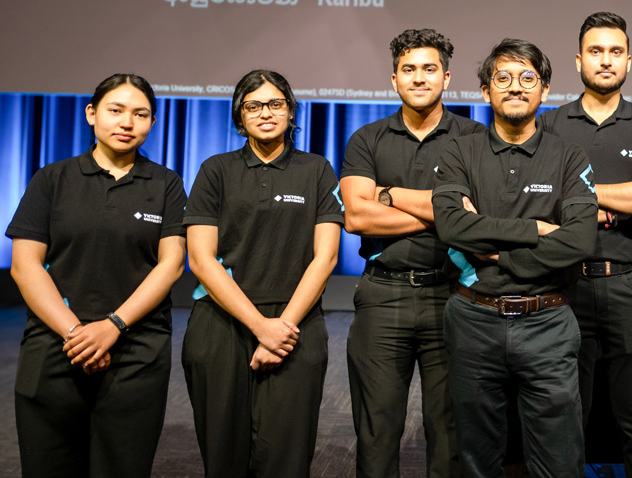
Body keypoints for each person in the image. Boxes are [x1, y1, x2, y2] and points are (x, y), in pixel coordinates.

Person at [6, 73, 187, 477]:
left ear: (153, 123)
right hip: (56, 345)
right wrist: (76, 332)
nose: (127, 122)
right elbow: (25, 264)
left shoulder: (167, 184)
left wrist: (113, 325)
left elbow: (171, 263)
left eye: (140, 114)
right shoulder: (52, 179)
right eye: (116, 110)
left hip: (136, 348)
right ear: (91, 114)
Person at [432, 38, 597, 478]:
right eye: (502, 78)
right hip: (473, 321)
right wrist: (535, 231)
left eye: (528, 78)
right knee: (476, 458)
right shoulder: (458, 151)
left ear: (544, 90)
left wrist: (494, 251)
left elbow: (580, 239)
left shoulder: (568, 157)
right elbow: (451, 226)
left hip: (548, 323)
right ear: (486, 91)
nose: (515, 87)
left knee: (560, 460)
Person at [181, 69, 344, 478]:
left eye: (275, 103)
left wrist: (281, 328)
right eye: (253, 106)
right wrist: (259, 326)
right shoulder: (215, 170)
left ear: (291, 111)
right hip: (221, 324)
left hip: (296, 326)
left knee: (286, 460)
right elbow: (201, 259)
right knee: (224, 457)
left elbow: (324, 259)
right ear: (240, 117)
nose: (265, 113)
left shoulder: (317, 169)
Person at [341, 29, 483, 478]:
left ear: (446, 77)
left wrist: (389, 195)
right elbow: (356, 219)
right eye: (409, 70)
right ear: (394, 79)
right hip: (383, 296)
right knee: (377, 428)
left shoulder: (473, 137)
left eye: (429, 69)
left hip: (455, 295)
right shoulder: (367, 139)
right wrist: (443, 212)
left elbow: (479, 216)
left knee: (450, 429)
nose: (419, 78)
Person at [537, 11, 632, 477]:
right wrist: (617, 201)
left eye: (615, 52)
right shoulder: (550, 124)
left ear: (629, 62)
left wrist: (579, 198)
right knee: (564, 414)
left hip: (631, 285)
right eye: (596, 51)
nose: (606, 60)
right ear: (578, 60)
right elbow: (538, 201)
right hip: (564, 285)